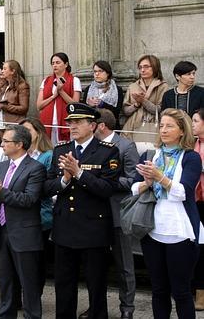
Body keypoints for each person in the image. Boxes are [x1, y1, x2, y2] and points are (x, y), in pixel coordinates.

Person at [44, 103, 121, 319]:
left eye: (78, 122)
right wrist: (64, 179)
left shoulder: (108, 151)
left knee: (96, 285)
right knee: (64, 285)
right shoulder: (61, 149)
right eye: (70, 122)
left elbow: (107, 189)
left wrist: (78, 173)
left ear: (93, 125)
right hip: (65, 226)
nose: (72, 126)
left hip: (93, 228)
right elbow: (47, 187)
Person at [133, 108, 203, 318]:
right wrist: (147, 182)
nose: (163, 130)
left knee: (181, 292)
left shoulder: (190, 158)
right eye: (161, 125)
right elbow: (134, 188)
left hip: (179, 231)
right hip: (152, 230)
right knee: (158, 290)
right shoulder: (152, 154)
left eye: (169, 126)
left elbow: (183, 192)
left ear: (182, 131)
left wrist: (160, 177)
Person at [0, 124, 46, 319]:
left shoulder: (36, 168)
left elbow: (29, 200)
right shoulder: (1, 166)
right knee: (6, 282)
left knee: (29, 284)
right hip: (2, 231)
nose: (2, 144)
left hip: (24, 233)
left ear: (19, 144)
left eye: (6, 141)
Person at [86, 108, 139, 319]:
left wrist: (106, 183)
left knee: (125, 265)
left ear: (100, 126)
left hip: (117, 212)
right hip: (93, 213)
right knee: (94, 265)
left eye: (91, 123)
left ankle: (127, 308)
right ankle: (96, 306)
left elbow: (134, 179)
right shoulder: (90, 146)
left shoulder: (126, 146)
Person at [19, 117, 54, 293]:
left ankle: (34, 296)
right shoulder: (20, 155)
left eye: (28, 131)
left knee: (37, 261)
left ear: (38, 133)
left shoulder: (48, 156)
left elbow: (45, 187)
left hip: (40, 215)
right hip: (20, 214)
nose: (24, 135)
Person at [36, 52, 81, 144]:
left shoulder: (74, 80)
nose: (55, 65)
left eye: (58, 62)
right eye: (53, 63)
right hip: (48, 121)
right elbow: (39, 105)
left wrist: (61, 92)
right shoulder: (46, 81)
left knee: (64, 149)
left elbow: (75, 105)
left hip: (66, 121)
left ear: (66, 64)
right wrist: (53, 96)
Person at [121, 54, 169, 140]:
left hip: (153, 125)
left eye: (146, 67)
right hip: (132, 126)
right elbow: (125, 111)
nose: (142, 70)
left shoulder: (163, 86)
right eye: (140, 67)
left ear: (155, 67)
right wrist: (136, 104)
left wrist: (143, 101)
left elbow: (161, 110)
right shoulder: (133, 86)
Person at [82, 61, 124, 126]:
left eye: (100, 71)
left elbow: (117, 111)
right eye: (95, 71)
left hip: (110, 126)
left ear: (108, 73)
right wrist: (89, 105)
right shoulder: (88, 89)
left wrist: (102, 104)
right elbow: (83, 111)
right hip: (92, 126)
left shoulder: (117, 89)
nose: (97, 74)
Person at [0, 60, 30, 127]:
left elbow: (24, 108)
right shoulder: (5, 86)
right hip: (1, 123)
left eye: (5, 69)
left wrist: (3, 106)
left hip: (14, 124)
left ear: (12, 71)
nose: (2, 71)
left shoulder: (22, 86)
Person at [191, 108, 204, 311]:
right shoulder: (194, 143)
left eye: (195, 120)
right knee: (198, 246)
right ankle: (199, 292)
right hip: (195, 199)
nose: (192, 124)